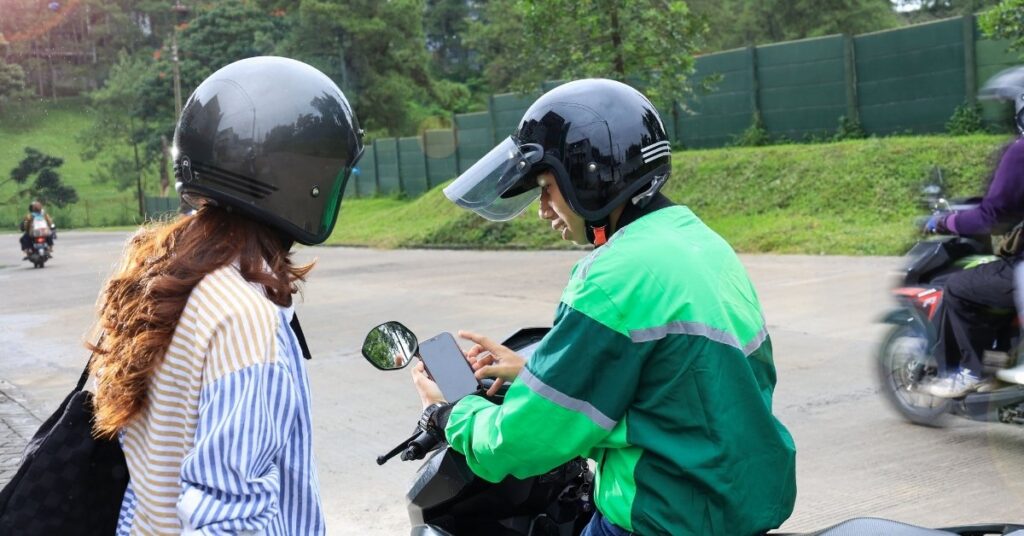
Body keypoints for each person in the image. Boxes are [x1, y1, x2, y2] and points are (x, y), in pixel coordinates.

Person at [412, 79, 797, 536]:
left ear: (588, 177)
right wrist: (532, 371)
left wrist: (450, 413)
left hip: (661, 517)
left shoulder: (612, 277)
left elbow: (521, 443)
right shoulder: (699, 243)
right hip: (730, 501)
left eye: (546, 187)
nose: (542, 209)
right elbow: (685, 385)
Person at [88, 56, 363, 534]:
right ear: (297, 181)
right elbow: (229, 519)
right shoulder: (242, 316)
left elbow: (146, 470)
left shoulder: (166, 276)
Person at [924, 65, 1024, 398]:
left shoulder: (1019, 152)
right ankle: (1002, 356)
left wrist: (943, 222)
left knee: (960, 287)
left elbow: (988, 216)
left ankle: (967, 372)